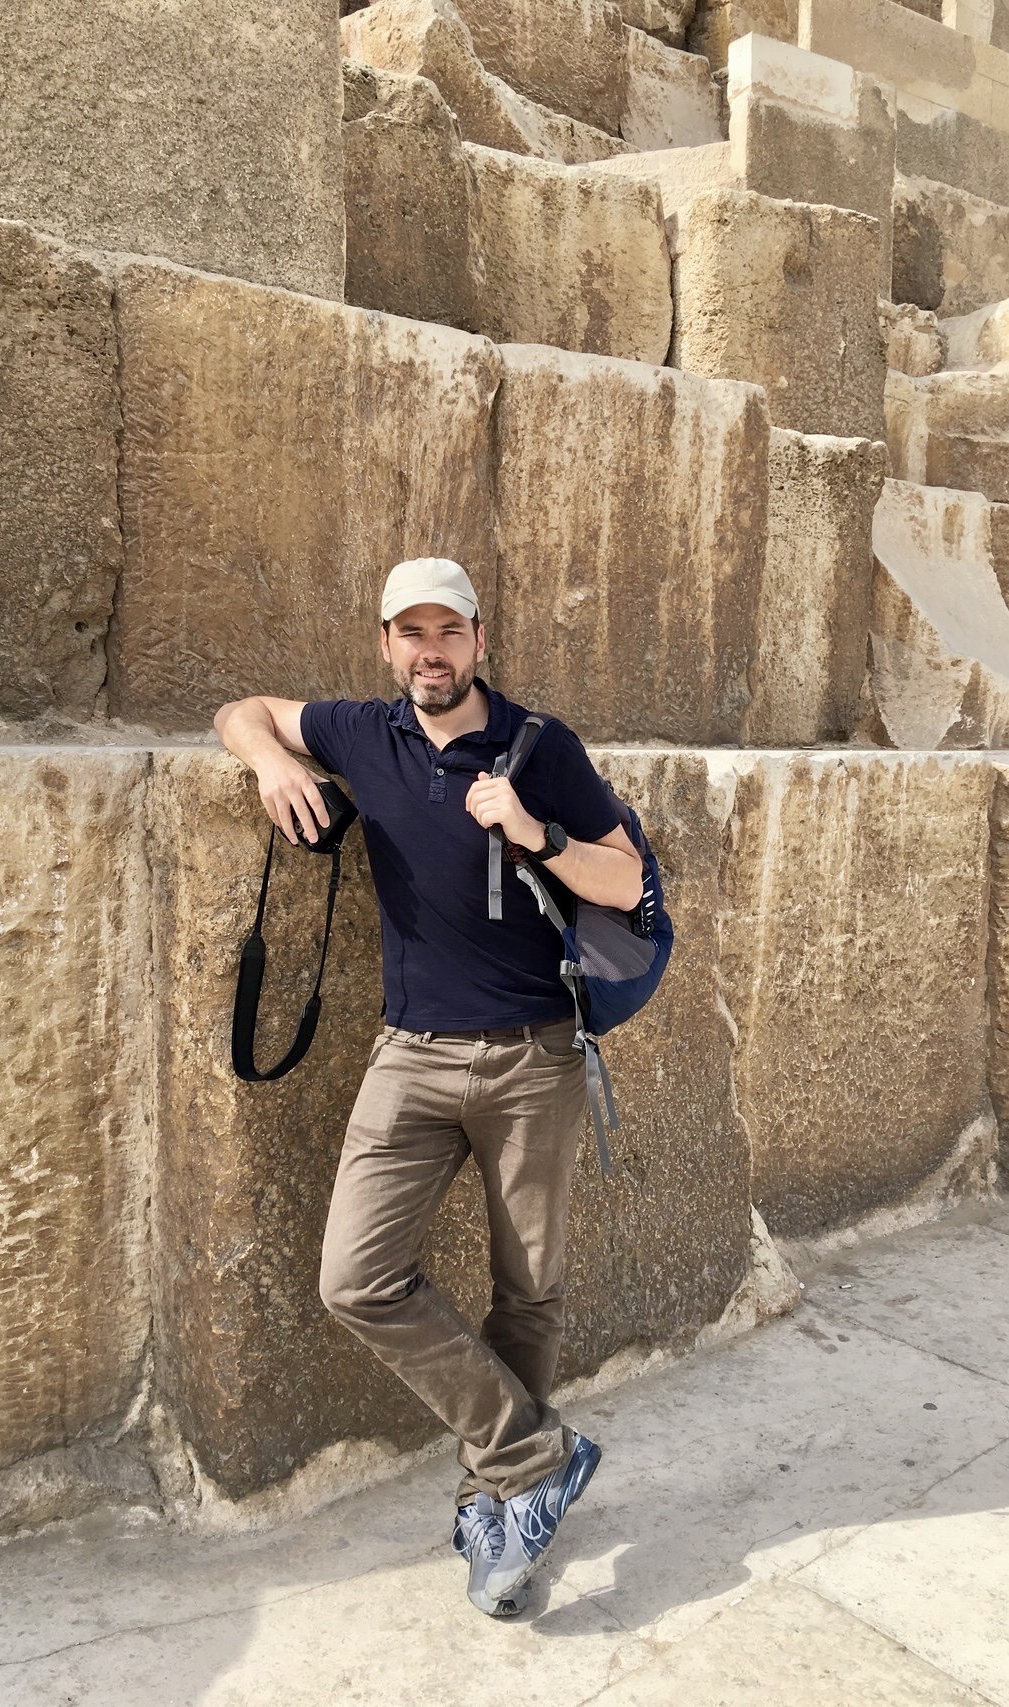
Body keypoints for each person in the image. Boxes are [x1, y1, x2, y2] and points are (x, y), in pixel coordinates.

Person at [213, 557, 644, 1616]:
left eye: (446, 632)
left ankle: (500, 1514)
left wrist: (534, 832)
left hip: (533, 1056)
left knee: (526, 1290)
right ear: (386, 644)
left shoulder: (540, 749)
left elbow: (628, 881)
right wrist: (272, 763)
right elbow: (242, 709)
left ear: (479, 640)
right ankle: (533, 1458)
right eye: (409, 633)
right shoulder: (366, 732)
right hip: (407, 1056)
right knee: (354, 1279)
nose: (429, 652)